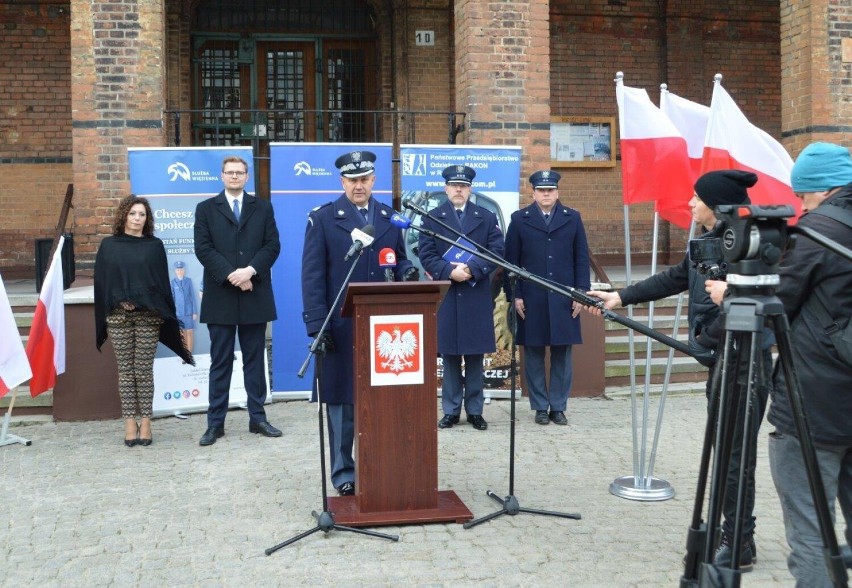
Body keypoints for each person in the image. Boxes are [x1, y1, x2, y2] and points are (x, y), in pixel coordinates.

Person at [585, 170, 771, 570]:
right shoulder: (708, 240)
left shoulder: (747, 244)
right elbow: (674, 278)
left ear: (717, 206)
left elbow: (753, 305)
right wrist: (620, 296)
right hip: (720, 358)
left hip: (745, 361)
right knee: (725, 450)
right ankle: (735, 531)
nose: (689, 204)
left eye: (696, 198)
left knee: (736, 455)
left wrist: (707, 340)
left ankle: (739, 540)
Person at [301, 149, 417, 496]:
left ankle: (381, 463)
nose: (358, 186)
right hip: (340, 325)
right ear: (342, 181)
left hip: (384, 328)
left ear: (374, 180)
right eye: (352, 180)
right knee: (342, 403)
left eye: (364, 179)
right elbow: (312, 276)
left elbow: (394, 260)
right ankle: (343, 472)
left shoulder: (389, 217)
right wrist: (316, 326)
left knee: (383, 400)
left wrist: (406, 271)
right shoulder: (323, 219)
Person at [765, 142, 852, 587]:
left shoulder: (818, 231)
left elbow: (778, 302)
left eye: (804, 196)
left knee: (811, 527)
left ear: (823, 189)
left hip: (814, 404)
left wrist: (732, 295)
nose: (800, 206)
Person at [194, 155, 282, 446]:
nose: (234, 177)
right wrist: (232, 275)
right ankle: (215, 423)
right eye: (229, 172)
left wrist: (250, 271)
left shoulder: (263, 207)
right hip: (221, 295)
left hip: (254, 293)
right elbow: (203, 249)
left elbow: (272, 246)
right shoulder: (206, 209)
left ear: (247, 177)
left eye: (239, 173)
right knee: (220, 362)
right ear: (221, 176)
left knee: (255, 361)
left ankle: (257, 418)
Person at [94, 195, 194, 447]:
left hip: (149, 316)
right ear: (124, 216)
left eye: (142, 215)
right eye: (133, 214)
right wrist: (121, 300)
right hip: (118, 315)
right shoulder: (109, 245)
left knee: (143, 369)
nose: (137, 219)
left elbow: (159, 283)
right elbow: (104, 282)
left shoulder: (154, 246)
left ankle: (146, 422)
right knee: (126, 371)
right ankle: (130, 422)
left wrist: (141, 301)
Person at [418, 165, 504, 431]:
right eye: (454, 185)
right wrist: (449, 272)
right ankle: (451, 410)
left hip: (475, 291)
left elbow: (497, 251)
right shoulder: (432, 217)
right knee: (451, 354)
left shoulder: (486, 217)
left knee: (475, 355)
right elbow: (426, 253)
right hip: (448, 293)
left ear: (470, 189)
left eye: (463, 186)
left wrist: (471, 270)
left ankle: (475, 411)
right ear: (446, 189)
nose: (458, 189)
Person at [504, 170, 590, 425]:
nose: (546, 194)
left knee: (563, 353)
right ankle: (540, 406)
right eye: (541, 190)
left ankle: (559, 406)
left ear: (557, 192)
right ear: (533, 192)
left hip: (564, 296)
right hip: (532, 297)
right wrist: (515, 295)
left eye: (550, 190)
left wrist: (580, 293)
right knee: (533, 353)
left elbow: (581, 258)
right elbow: (512, 262)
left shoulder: (572, 218)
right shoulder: (520, 219)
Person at [170, 260, 197, 353]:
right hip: (178, 313)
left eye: (181, 270)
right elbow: (172, 299)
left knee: (189, 332)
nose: (179, 271)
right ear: (175, 271)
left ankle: (189, 353)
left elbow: (192, 296)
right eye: (178, 270)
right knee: (182, 333)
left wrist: (194, 312)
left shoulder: (188, 281)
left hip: (189, 312)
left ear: (184, 270)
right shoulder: (173, 283)